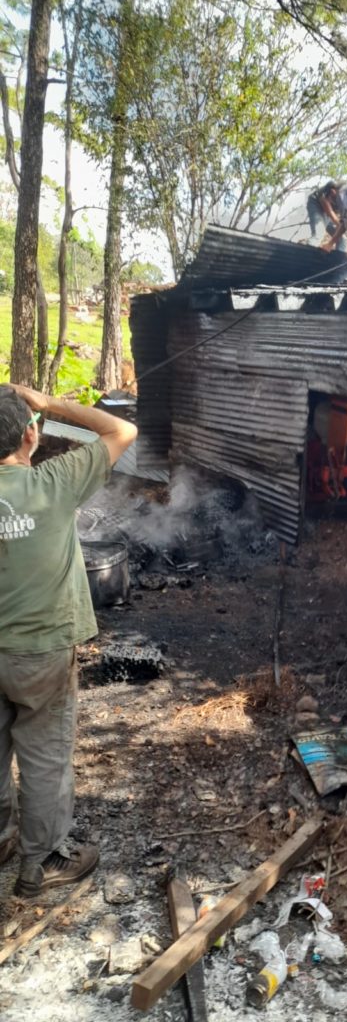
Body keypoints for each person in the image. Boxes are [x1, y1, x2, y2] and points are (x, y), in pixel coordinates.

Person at [0, 384, 137, 897]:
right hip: (41, 653)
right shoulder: (53, 483)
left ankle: (1, 838)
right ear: (31, 435)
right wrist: (49, 402)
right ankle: (40, 865)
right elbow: (122, 429)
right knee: (43, 757)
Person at [306, 184, 347, 253]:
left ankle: (337, 261)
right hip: (317, 205)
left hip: (331, 214)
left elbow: (344, 221)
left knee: (342, 238)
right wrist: (338, 224)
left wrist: (340, 227)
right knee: (319, 234)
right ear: (333, 191)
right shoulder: (328, 188)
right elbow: (328, 210)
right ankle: (306, 255)